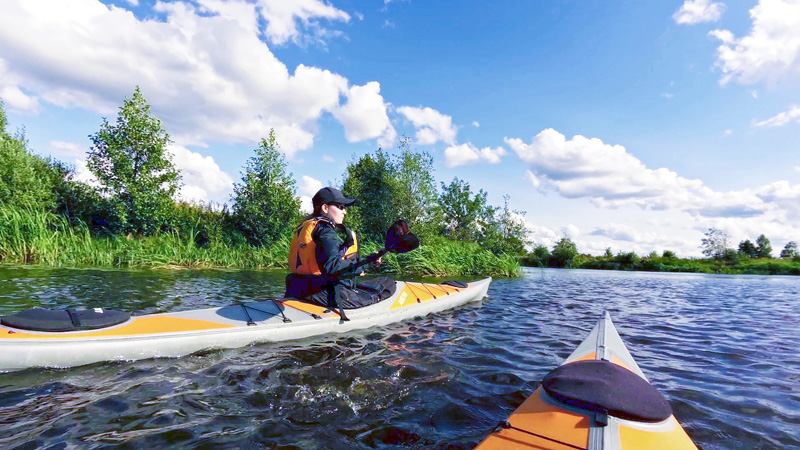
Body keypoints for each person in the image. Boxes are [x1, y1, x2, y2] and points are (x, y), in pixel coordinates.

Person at [285, 187, 395, 314]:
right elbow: (332, 268)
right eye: (340, 207)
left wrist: (368, 260)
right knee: (388, 284)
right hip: (320, 292)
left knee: (367, 284)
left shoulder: (308, 226)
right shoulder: (326, 231)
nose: (345, 212)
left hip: (296, 287)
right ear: (325, 208)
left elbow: (327, 258)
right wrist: (363, 267)